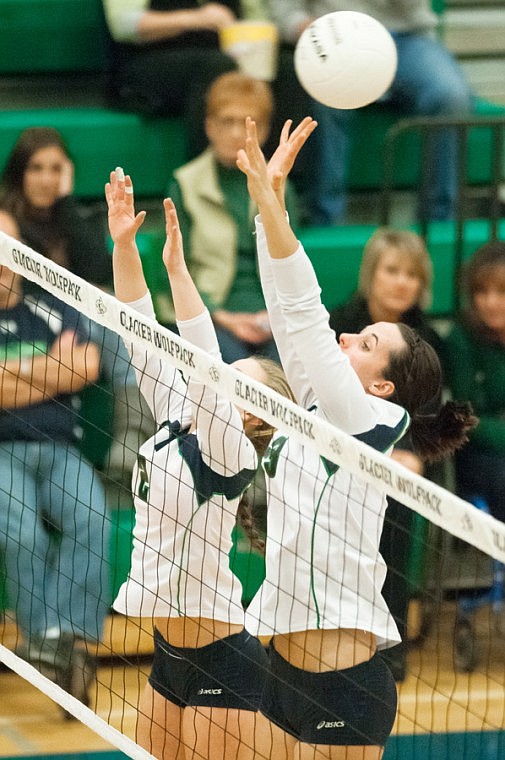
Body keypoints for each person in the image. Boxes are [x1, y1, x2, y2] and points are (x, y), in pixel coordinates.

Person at [236, 116, 476, 759]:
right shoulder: (316, 408)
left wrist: (269, 200)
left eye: (366, 343)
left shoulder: (367, 424)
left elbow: (309, 315)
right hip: (279, 669)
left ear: (383, 389)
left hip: (344, 685)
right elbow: (286, 309)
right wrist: (270, 205)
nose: (347, 338)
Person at [106, 167, 294, 759]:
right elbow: (137, 328)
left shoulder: (231, 449)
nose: (217, 385)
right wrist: (124, 245)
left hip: (223, 659)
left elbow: (208, 365)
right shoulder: (176, 415)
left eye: (238, 387)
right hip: (171, 652)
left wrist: (180, 272)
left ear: (257, 419)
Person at [0, 125, 155, 505]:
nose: (47, 179)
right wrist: (52, 364)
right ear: (20, 172)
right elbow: (23, 290)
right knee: (111, 319)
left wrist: (66, 202)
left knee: (121, 322)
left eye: (56, 169)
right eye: (37, 168)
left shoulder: (68, 217)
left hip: (75, 322)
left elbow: (99, 270)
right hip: (33, 323)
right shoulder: (6, 220)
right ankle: (133, 435)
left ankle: (134, 438)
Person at [0, 208, 110, 707]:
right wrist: (50, 369)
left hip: (60, 447)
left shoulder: (49, 304)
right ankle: (42, 639)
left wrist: (14, 375)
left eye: (8, 244)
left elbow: (85, 366)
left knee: (93, 520)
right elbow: (64, 370)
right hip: (3, 449)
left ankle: (63, 634)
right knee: (20, 532)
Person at [328, 226, 444, 680]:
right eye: (392, 271)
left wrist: (413, 453)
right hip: (336, 451)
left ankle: (388, 640)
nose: (401, 283)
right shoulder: (341, 327)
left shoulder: (430, 342)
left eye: (412, 275)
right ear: (370, 274)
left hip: (397, 460)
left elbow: (430, 416)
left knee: (396, 501)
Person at [268, 0, 473, 224]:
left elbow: (414, 7)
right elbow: (285, 15)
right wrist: (315, 33)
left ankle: (440, 222)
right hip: (333, 40)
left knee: (449, 96)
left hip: (404, 37)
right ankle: (325, 220)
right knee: (325, 94)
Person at [166, 70, 299, 363]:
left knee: (289, 367)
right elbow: (176, 269)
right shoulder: (185, 185)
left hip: (272, 318)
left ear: (263, 131)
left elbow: (291, 265)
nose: (237, 133)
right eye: (228, 121)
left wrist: (272, 315)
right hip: (213, 316)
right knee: (238, 373)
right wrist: (223, 317)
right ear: (210, 126)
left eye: (247, 124)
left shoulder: (279, 185)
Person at [102, 0, 243, 158]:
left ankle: (268, 172)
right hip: (143, 67)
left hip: (227, 56)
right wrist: (197, 18)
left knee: (265, 68)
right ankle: (201, 176)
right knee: (216, 67)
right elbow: (123, 25)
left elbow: (257, 19)